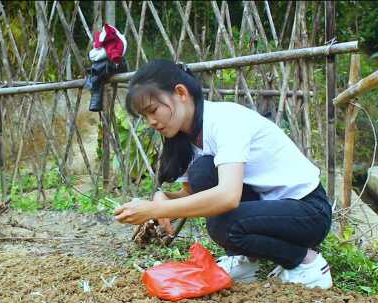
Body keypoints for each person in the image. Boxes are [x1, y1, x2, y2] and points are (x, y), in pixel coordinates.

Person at [113, 60, 333, 289]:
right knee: (202, 172)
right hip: (272, 208)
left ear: (180, 93)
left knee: (224, 224)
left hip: (309, 212)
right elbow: (191, 194)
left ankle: (307, 262)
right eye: (144, 116)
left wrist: (158, 209)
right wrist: (163, 199)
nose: (151, 121)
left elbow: (228, 196)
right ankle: (248, 260)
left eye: (153, 110)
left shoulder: (225, 121)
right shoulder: (187, 138)